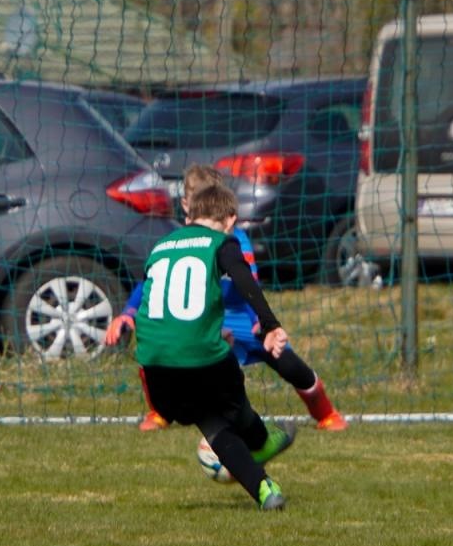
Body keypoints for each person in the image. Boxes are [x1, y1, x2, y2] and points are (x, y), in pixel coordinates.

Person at [107, 164, 346, 431]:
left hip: (240, 317)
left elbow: (248, 285)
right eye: (199, 201)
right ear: (186, 204)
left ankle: (326, 413)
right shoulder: (173, 242)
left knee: (287, 362)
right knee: (161, 352)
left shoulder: (235, 242)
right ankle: (161, 412)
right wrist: (128, 312)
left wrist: (261, 322)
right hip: (199, 323)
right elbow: (150, 282)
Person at [132, 183, 297, 510]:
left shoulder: (161, 246)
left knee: (211, 421)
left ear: (189, 214)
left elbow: (161, 303)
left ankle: (265, 490)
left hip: (154, 369)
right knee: (235, 407)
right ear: (230, 219)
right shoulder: (222, 242)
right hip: (203, 359)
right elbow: (243, 277)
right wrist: (270, 324)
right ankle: (262, 441)